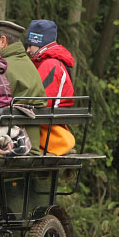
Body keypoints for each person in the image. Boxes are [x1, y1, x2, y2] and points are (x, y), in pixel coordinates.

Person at [0, 19, 47, 150]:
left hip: (15, 145)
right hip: (33, 144)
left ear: (3, 41)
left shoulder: (1, 67)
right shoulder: (27, 63)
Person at [25, 19, 78, 155]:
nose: (28, 50)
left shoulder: (51, 65)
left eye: (31, 45)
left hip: (48, 130)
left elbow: (41, 101)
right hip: (49, 125)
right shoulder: (49, 62)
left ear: (40, 44)